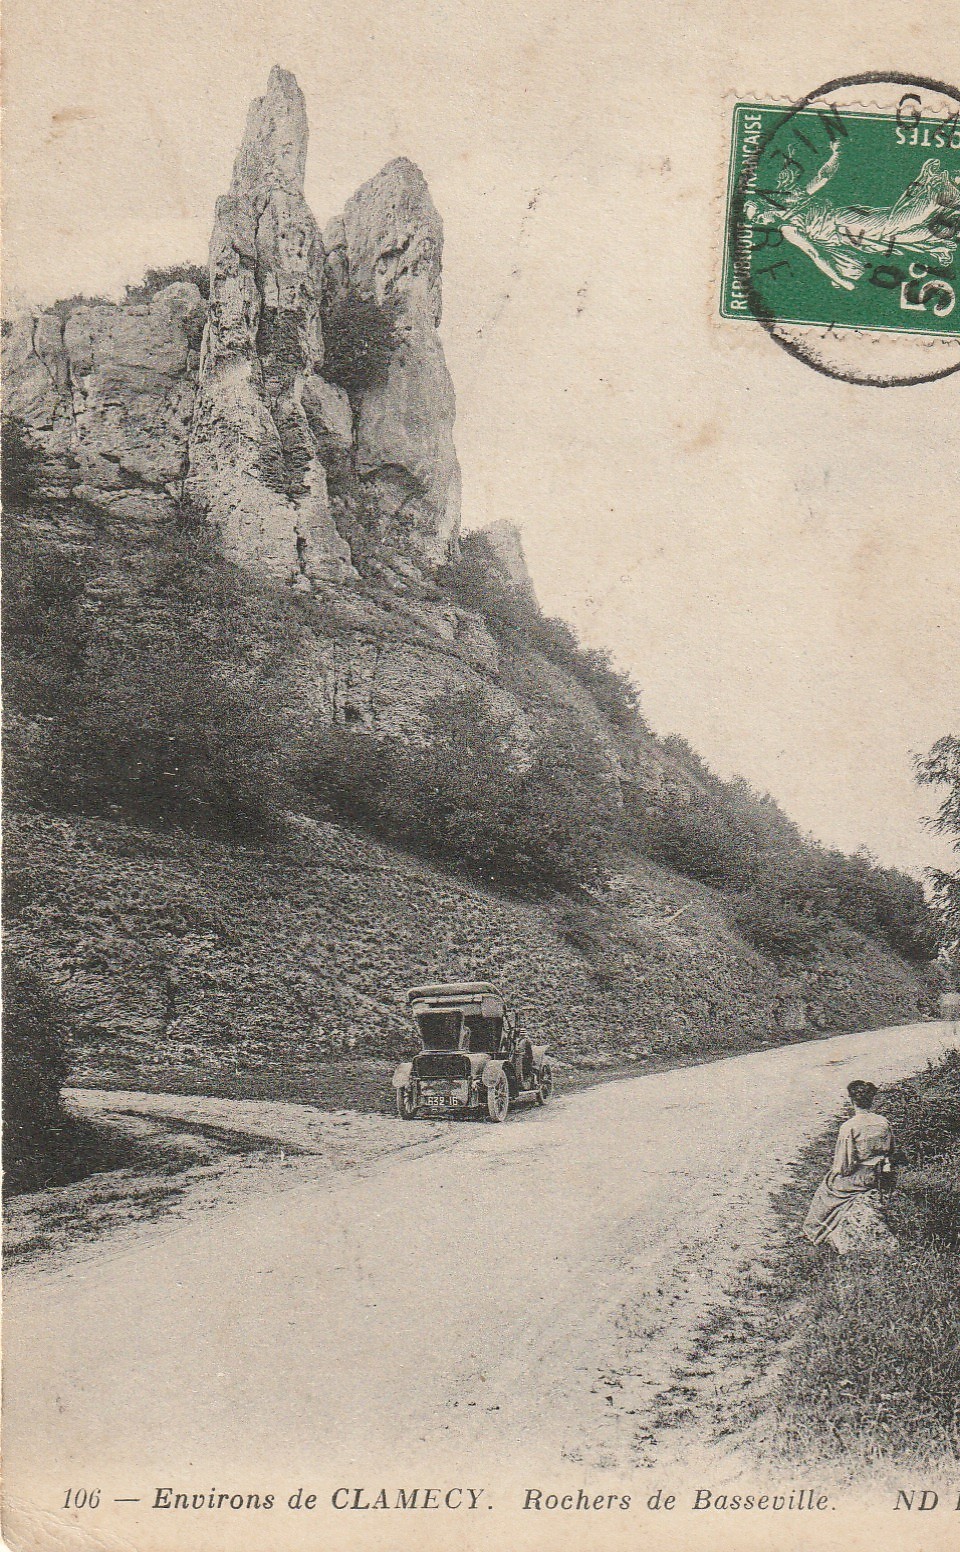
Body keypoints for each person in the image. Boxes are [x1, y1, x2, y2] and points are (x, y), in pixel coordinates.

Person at [801, 1080, 899, 1254]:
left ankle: (815, 1231)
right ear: (871, 1100)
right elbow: (892, 1150)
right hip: (882, 1173)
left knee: (828, 1187)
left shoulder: (850, 1127)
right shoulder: (883, 1122)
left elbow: (843, 1166)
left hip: (862, 1177)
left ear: (852, 1101)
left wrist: (841, 1172)